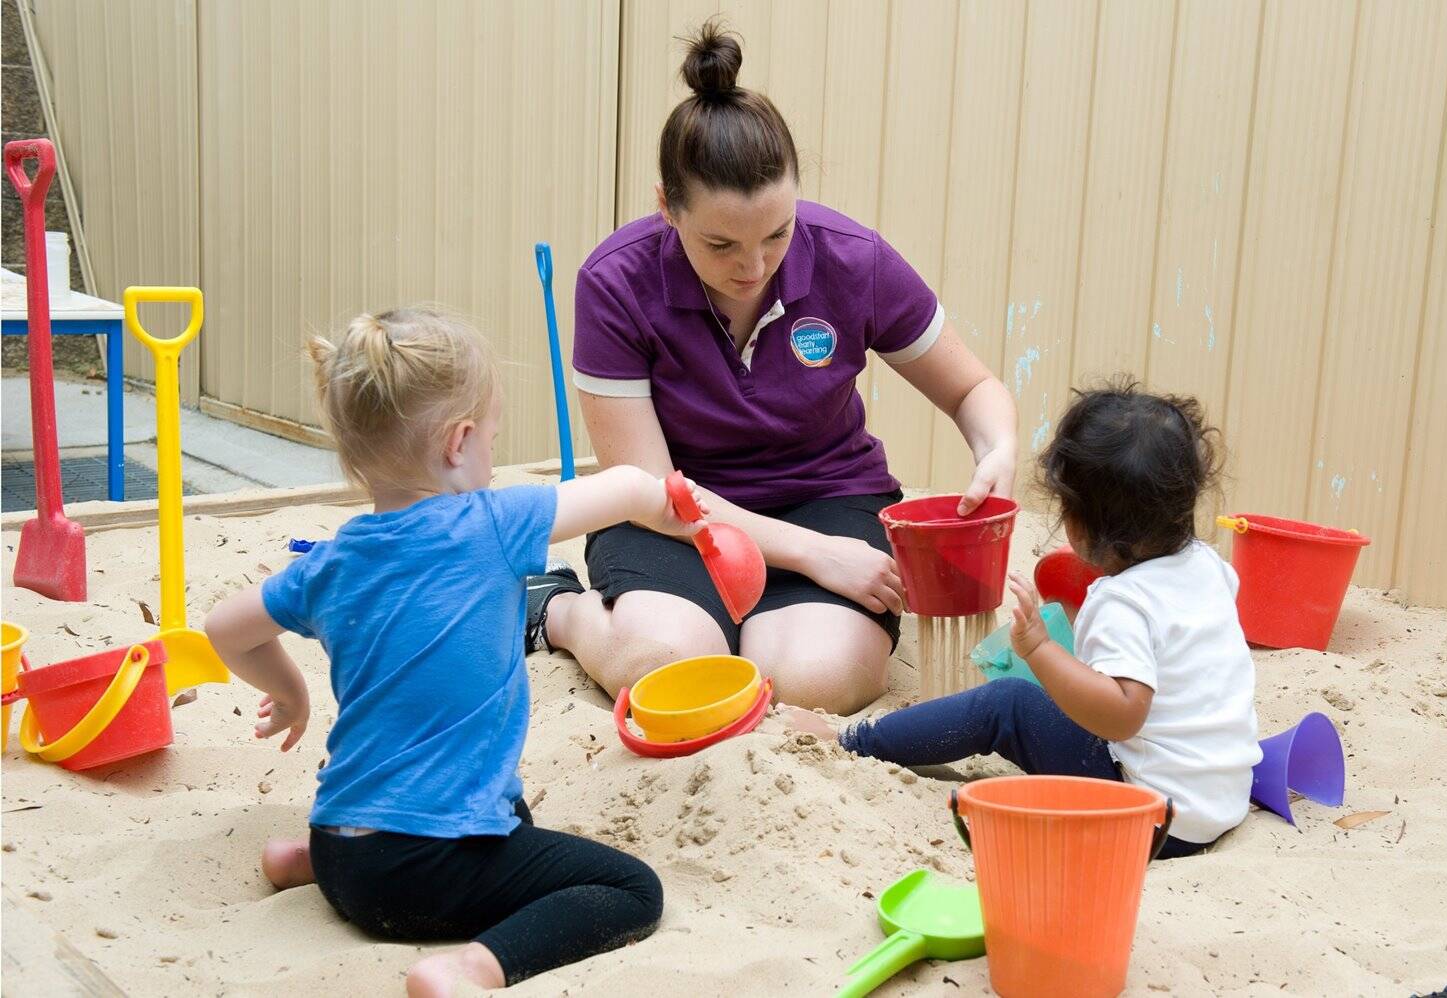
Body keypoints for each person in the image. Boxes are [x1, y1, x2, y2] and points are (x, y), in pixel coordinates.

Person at [204, 308, 704, 996]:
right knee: (628, 888)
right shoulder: (493, 524)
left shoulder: (332, 561)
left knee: (504, 808)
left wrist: (290, 693)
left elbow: (226, 628)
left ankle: (305, 864)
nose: (494, 459)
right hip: (426, 876)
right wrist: (673, 505)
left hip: (343, 849)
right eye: (493, 439)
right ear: (459, 442)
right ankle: (472, 968)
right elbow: (624, 489)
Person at [527, 21, 1018, 714]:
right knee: (668, 671)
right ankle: (562, 614)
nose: (753, 266)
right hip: (676, 516)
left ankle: (761, 625)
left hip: (826, 495)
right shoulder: (615, 283)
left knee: (812, 682)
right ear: (666, 206)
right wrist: (818, 556)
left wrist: (996, 448)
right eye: (721, 243)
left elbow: (973, 387)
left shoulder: (854, 259)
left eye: (778, 234)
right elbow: (654, 490)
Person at [796, 382, 1262, 857]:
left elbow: (1122, 715)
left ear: (1077, 524)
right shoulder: (1210, 567)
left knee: (1007, 703)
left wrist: (1039, 649)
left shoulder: (1123, 603)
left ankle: (852, 739)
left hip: (1149, 820)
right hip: (1220, 800)